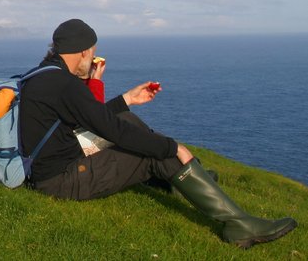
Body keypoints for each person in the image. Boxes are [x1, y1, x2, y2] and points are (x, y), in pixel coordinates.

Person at [18, 18, 297, 249]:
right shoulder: (67, 86)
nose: (91, 59)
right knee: (156, 154)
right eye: (91, 52)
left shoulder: (44, 74)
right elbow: (111, 130)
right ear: (81, 52)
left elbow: (93, 118)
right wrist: (173, 147)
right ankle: (239, 225)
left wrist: (127, 99)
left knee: (128, 119)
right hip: (62, 181)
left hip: (47, 171)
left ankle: (178, 181)